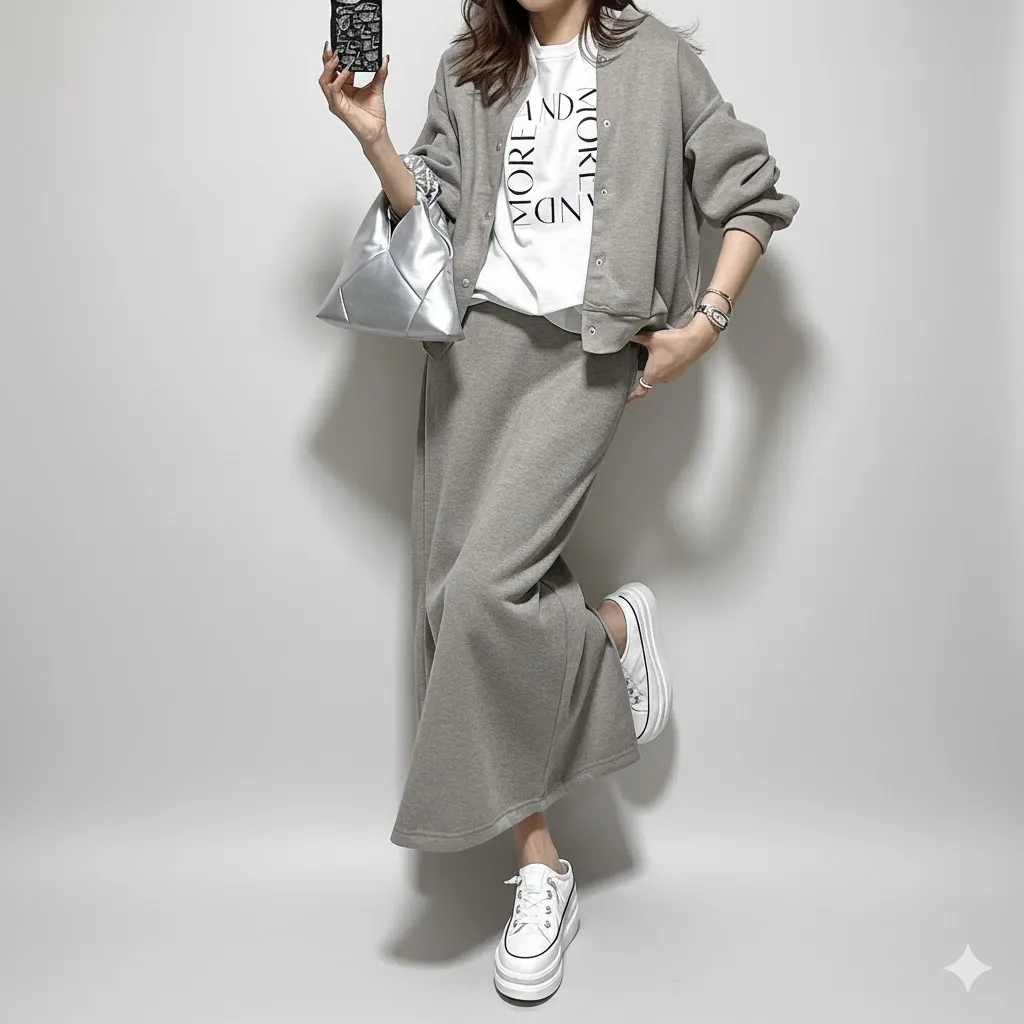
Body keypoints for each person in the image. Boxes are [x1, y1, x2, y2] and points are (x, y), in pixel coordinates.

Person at [319, 0, 798, 1002]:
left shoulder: (656, 63)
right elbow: (432, 219)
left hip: (584, 354)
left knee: (482, 592)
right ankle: (542, 865)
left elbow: (751, 194)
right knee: (454, 606)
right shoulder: (471, 67)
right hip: (471, 350)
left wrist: (704, 325)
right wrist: (373, 139)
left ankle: (612, 636)